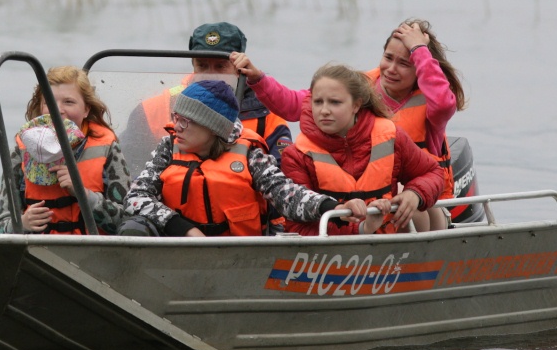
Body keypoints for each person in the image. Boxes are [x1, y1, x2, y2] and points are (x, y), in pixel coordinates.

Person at [231, 18, 466, 231]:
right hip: (365, 207)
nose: (392, 69)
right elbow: (294, 103)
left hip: (424, 200)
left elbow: (445, 104)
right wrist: (257, 78)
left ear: (421, 67)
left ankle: (420, 266)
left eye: (405, 63)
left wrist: (420, 50)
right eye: (388, 58)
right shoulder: (355, 89)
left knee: (405, 197)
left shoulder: (432, 100)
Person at [117, 79, 384, 237]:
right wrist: (183, 228)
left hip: (240, 253)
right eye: (177, 119)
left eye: (187, 121)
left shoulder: (251, 154)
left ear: (214, 128)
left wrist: (331, 207)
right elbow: (136, 197)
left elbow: (286, 194)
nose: (178, 128)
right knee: (133, 225)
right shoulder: (168, 147)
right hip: (181, 248)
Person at [280, 64, 445, 236]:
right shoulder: (297, 154)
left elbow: (433, 172)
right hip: (329, 253)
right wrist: (362, 229)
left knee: (418, 213)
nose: (324, 111)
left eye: (335, 102)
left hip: (389, 245)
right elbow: (298, 225)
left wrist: (414, 194)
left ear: (356, 105)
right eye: (318, 102)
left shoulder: (391, 136)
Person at [120, 22, 293, 171]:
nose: (211, 76)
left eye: (220, 67)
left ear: (239, 68)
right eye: (202, 65)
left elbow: (282, 179)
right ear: (193, 65)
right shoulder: (152, 111)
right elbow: (130, 169)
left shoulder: (267, 117)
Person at [0, 66, 131, 235]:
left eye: (69, 102)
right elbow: (2, 226)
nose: (57, 110)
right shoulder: (21, 152)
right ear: (41, 108)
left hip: (92, 254)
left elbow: (125, 222)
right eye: (49, 103)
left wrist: (83, 193)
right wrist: (21, 224)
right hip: (38, 254)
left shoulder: (107, 148)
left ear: (86, 109)